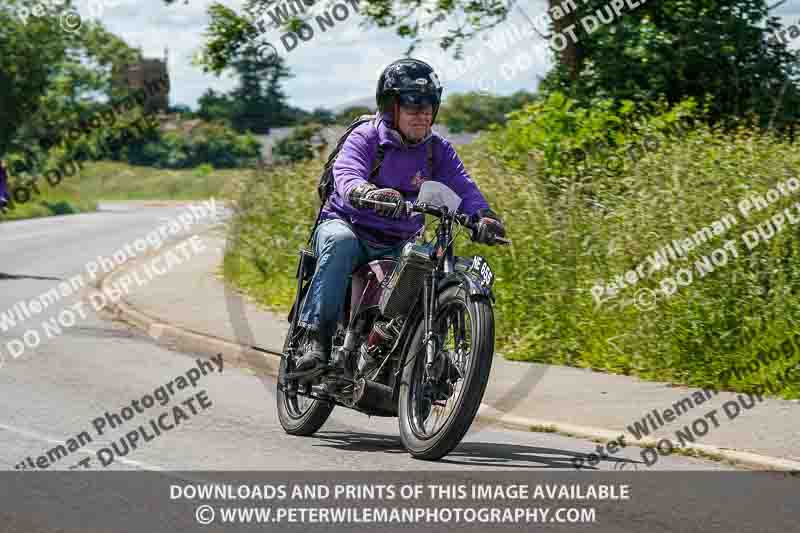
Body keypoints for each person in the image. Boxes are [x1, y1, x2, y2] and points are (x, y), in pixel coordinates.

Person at [295, 58, 506, 371]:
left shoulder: (438, 150)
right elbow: (347, 173)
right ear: (391, 108)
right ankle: (315, 341)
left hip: (399, 239)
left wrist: (484, 217)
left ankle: (408, 355)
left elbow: (464, 189)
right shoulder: (366, 137)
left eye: (427, 107)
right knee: (339, 243)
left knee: (427, 265)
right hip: (349, 224)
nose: (421, 114)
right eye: (411, 106)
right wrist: (367, 193)